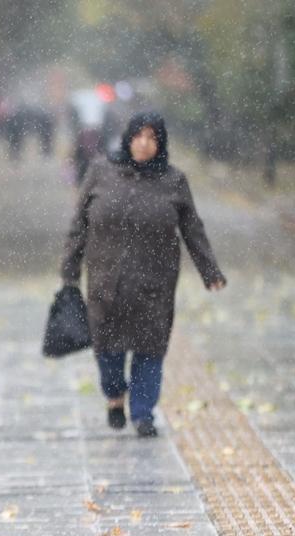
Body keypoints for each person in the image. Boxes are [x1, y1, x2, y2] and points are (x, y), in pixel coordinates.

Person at [61, 111, 226, 438]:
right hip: (107, 283)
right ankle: (114, 395)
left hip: (155, 284)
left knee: (150, 350)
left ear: (161, 143)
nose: (144, 144)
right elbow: (79, 226)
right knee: (107, 351)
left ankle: (143, 413)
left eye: (152, 138)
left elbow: (193, 229)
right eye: (138, 136)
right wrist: (69, 270)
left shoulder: (174, 181)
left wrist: (210, 271)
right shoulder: (100, 173)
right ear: (128, 138)